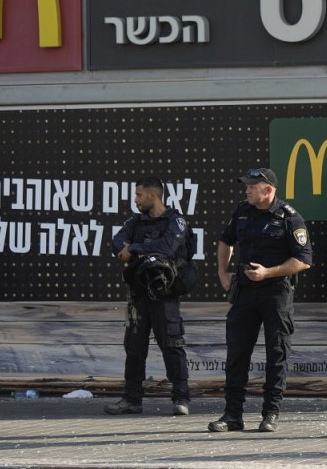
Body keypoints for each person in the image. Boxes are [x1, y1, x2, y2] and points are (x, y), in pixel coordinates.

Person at [209, 168, 312, 433]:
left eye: (252, 186)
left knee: (276, 354)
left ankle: (271, 413)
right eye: (246, 186)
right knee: (237, 353)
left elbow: (303, 260)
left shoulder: (290, 218)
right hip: (245, 292)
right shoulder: (242, 211)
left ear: (268, 189)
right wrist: (222, 272)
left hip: (276, 293)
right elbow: (225, 240)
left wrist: (268, 272)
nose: (246, 190)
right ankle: (233, 415)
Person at [104, 177, 192, 416]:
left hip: (165, 295)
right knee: (134, 348)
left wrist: (134, 249)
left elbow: (166, 248)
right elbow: (116, 243)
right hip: (138, 295)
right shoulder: (135, 222)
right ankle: (132, 400)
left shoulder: (176, 221)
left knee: (172, 345)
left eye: (139, 195)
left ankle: (181, 399)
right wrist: (130, 249)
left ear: (153, 196)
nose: (136, 200)